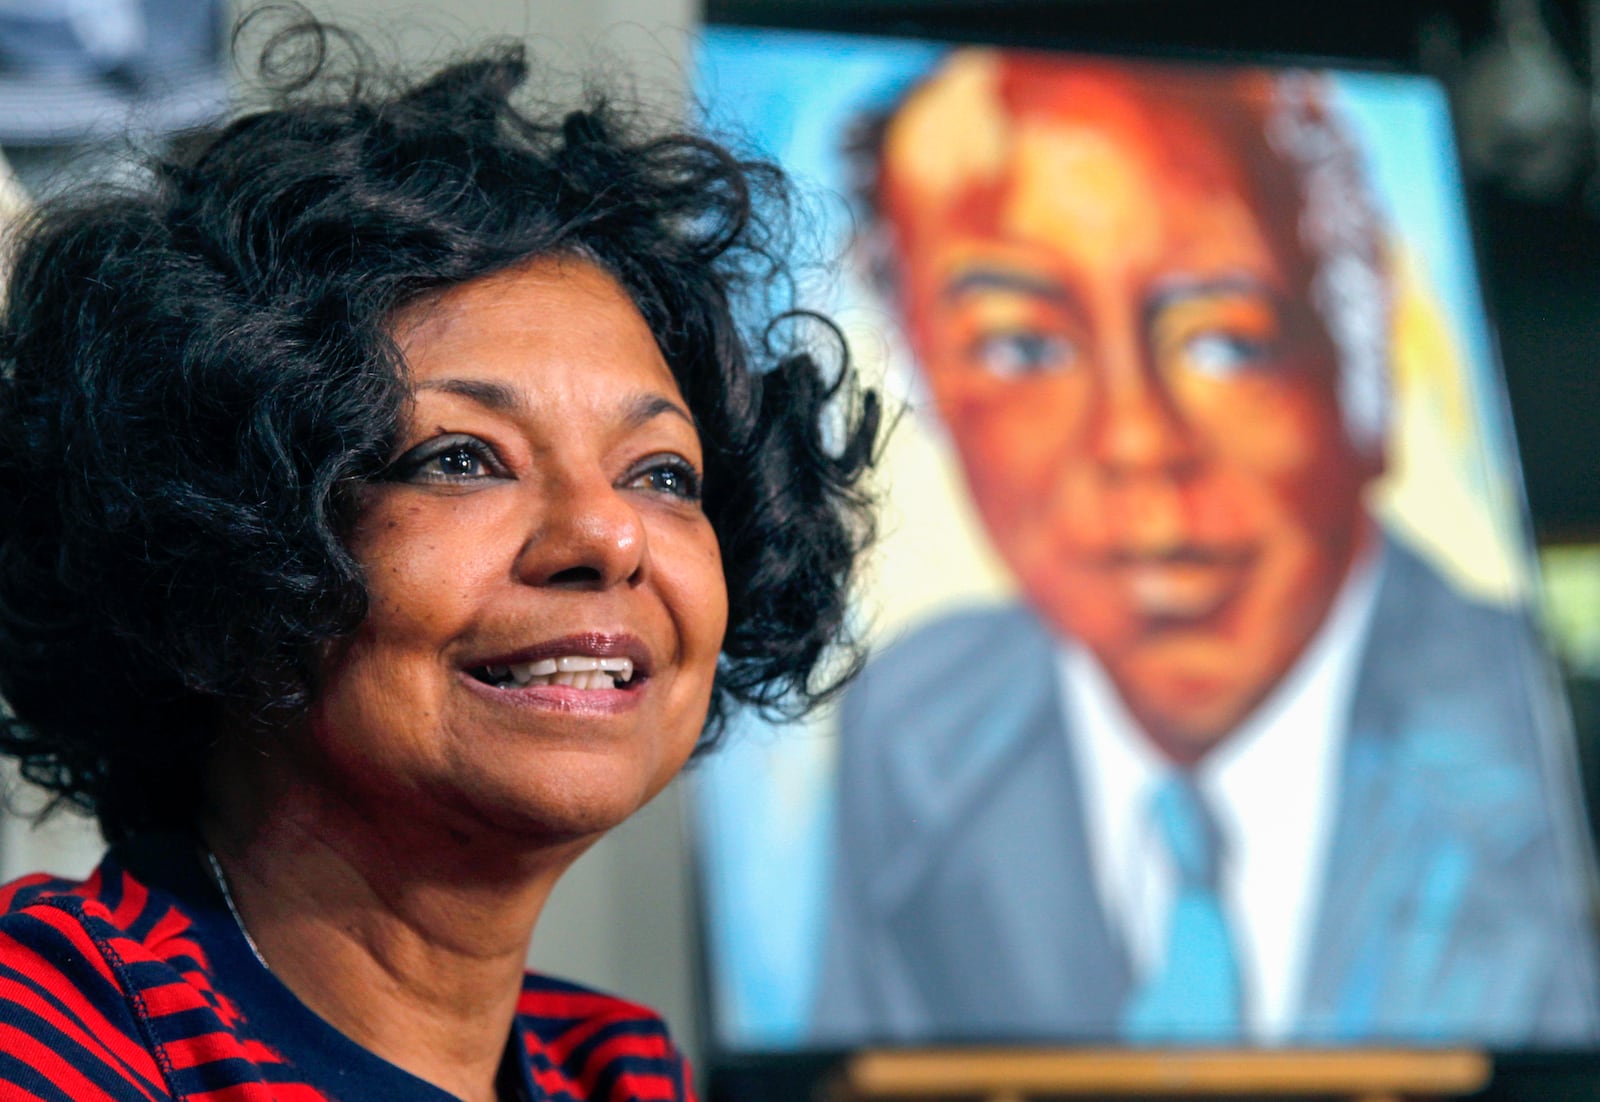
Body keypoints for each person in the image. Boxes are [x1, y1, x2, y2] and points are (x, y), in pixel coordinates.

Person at [0, 17, 877, 1102]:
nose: (606, 536)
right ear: (214, 546)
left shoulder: (620, 1074)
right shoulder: (45, 1041)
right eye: (462, 458)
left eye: (661, 474)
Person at [813, 50, 1599, 1045]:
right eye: (1021, 346)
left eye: (1222, 340)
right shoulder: (916, 727)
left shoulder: (1534, 720)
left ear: (1363, 372)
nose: (1137, 443)